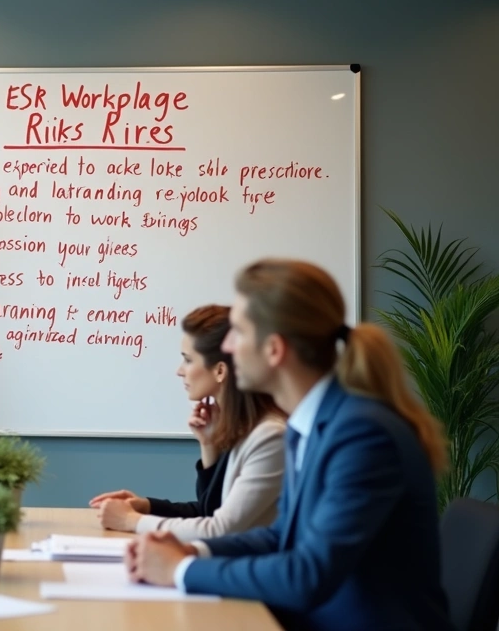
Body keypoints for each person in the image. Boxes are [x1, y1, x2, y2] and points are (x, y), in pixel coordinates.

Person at [128, 258, 451, 631]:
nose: (229, 347)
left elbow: (308, 576)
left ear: (275, 350)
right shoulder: (309, 425)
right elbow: (282, 536)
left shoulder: (363, 435)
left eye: (239, 332)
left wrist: (182, 570)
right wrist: (192, 551)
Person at [89, 304, 287, 540]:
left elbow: (218, 529)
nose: (179, 371)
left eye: (188, 360)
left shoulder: (270, 436)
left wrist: (132, 521)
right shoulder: (242, 426)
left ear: (220, 371)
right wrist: (146, 506)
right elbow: (210, 511)